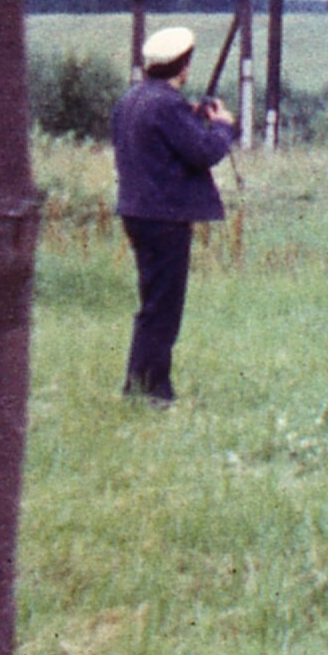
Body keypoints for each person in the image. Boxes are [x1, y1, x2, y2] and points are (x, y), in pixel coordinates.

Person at [109, 26, 236, 404]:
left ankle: (139, 386)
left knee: (153, 304)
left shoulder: (131, 100)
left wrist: (192, 118)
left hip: (137, 211)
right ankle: (153, 392)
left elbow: (160, 143)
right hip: (164, 218)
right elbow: (204, 152)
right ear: (182, 68)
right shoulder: (167, 105)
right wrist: (224, 126)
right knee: (164, 308)